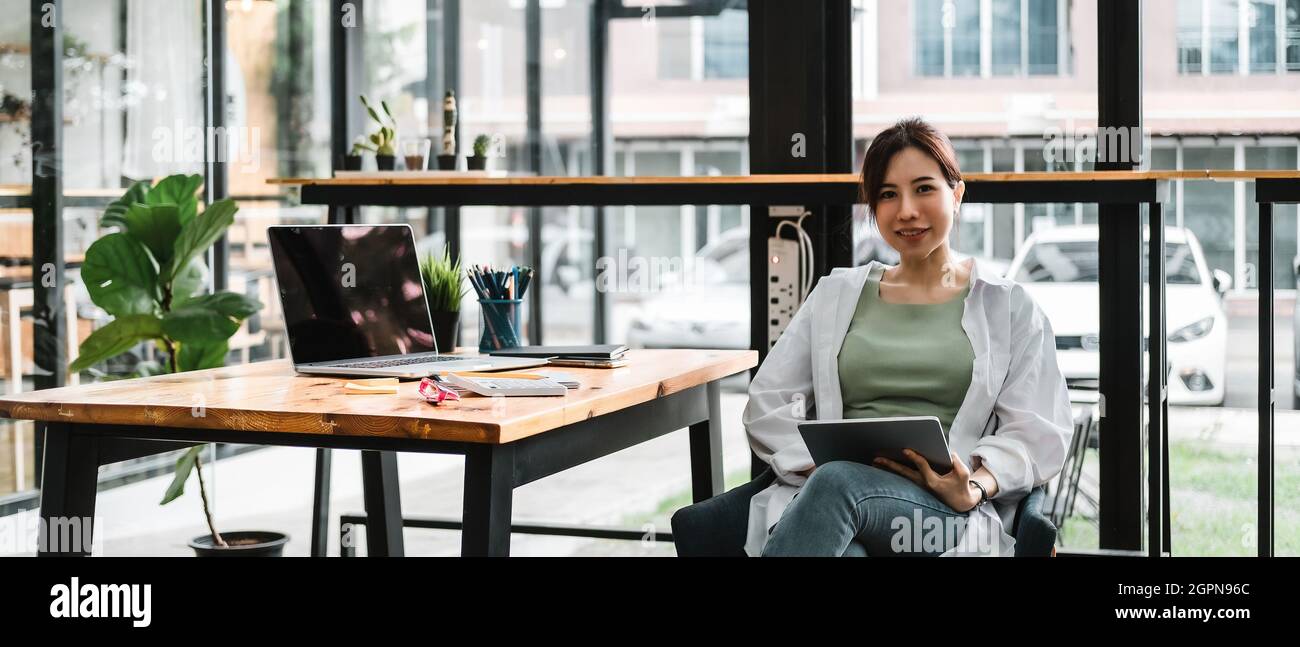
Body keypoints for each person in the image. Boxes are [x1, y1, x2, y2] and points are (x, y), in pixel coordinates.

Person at [744, 117, 1073, 557]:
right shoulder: (836, 295)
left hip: (940, 510)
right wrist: (819, 465)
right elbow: (768, 402)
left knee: (838, 486)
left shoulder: (1008, 306)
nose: (906, 211)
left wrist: (974, 484)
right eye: (887, 194)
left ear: (956, 194)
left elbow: (1038, 429)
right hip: (833, 499)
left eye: (923, 189)